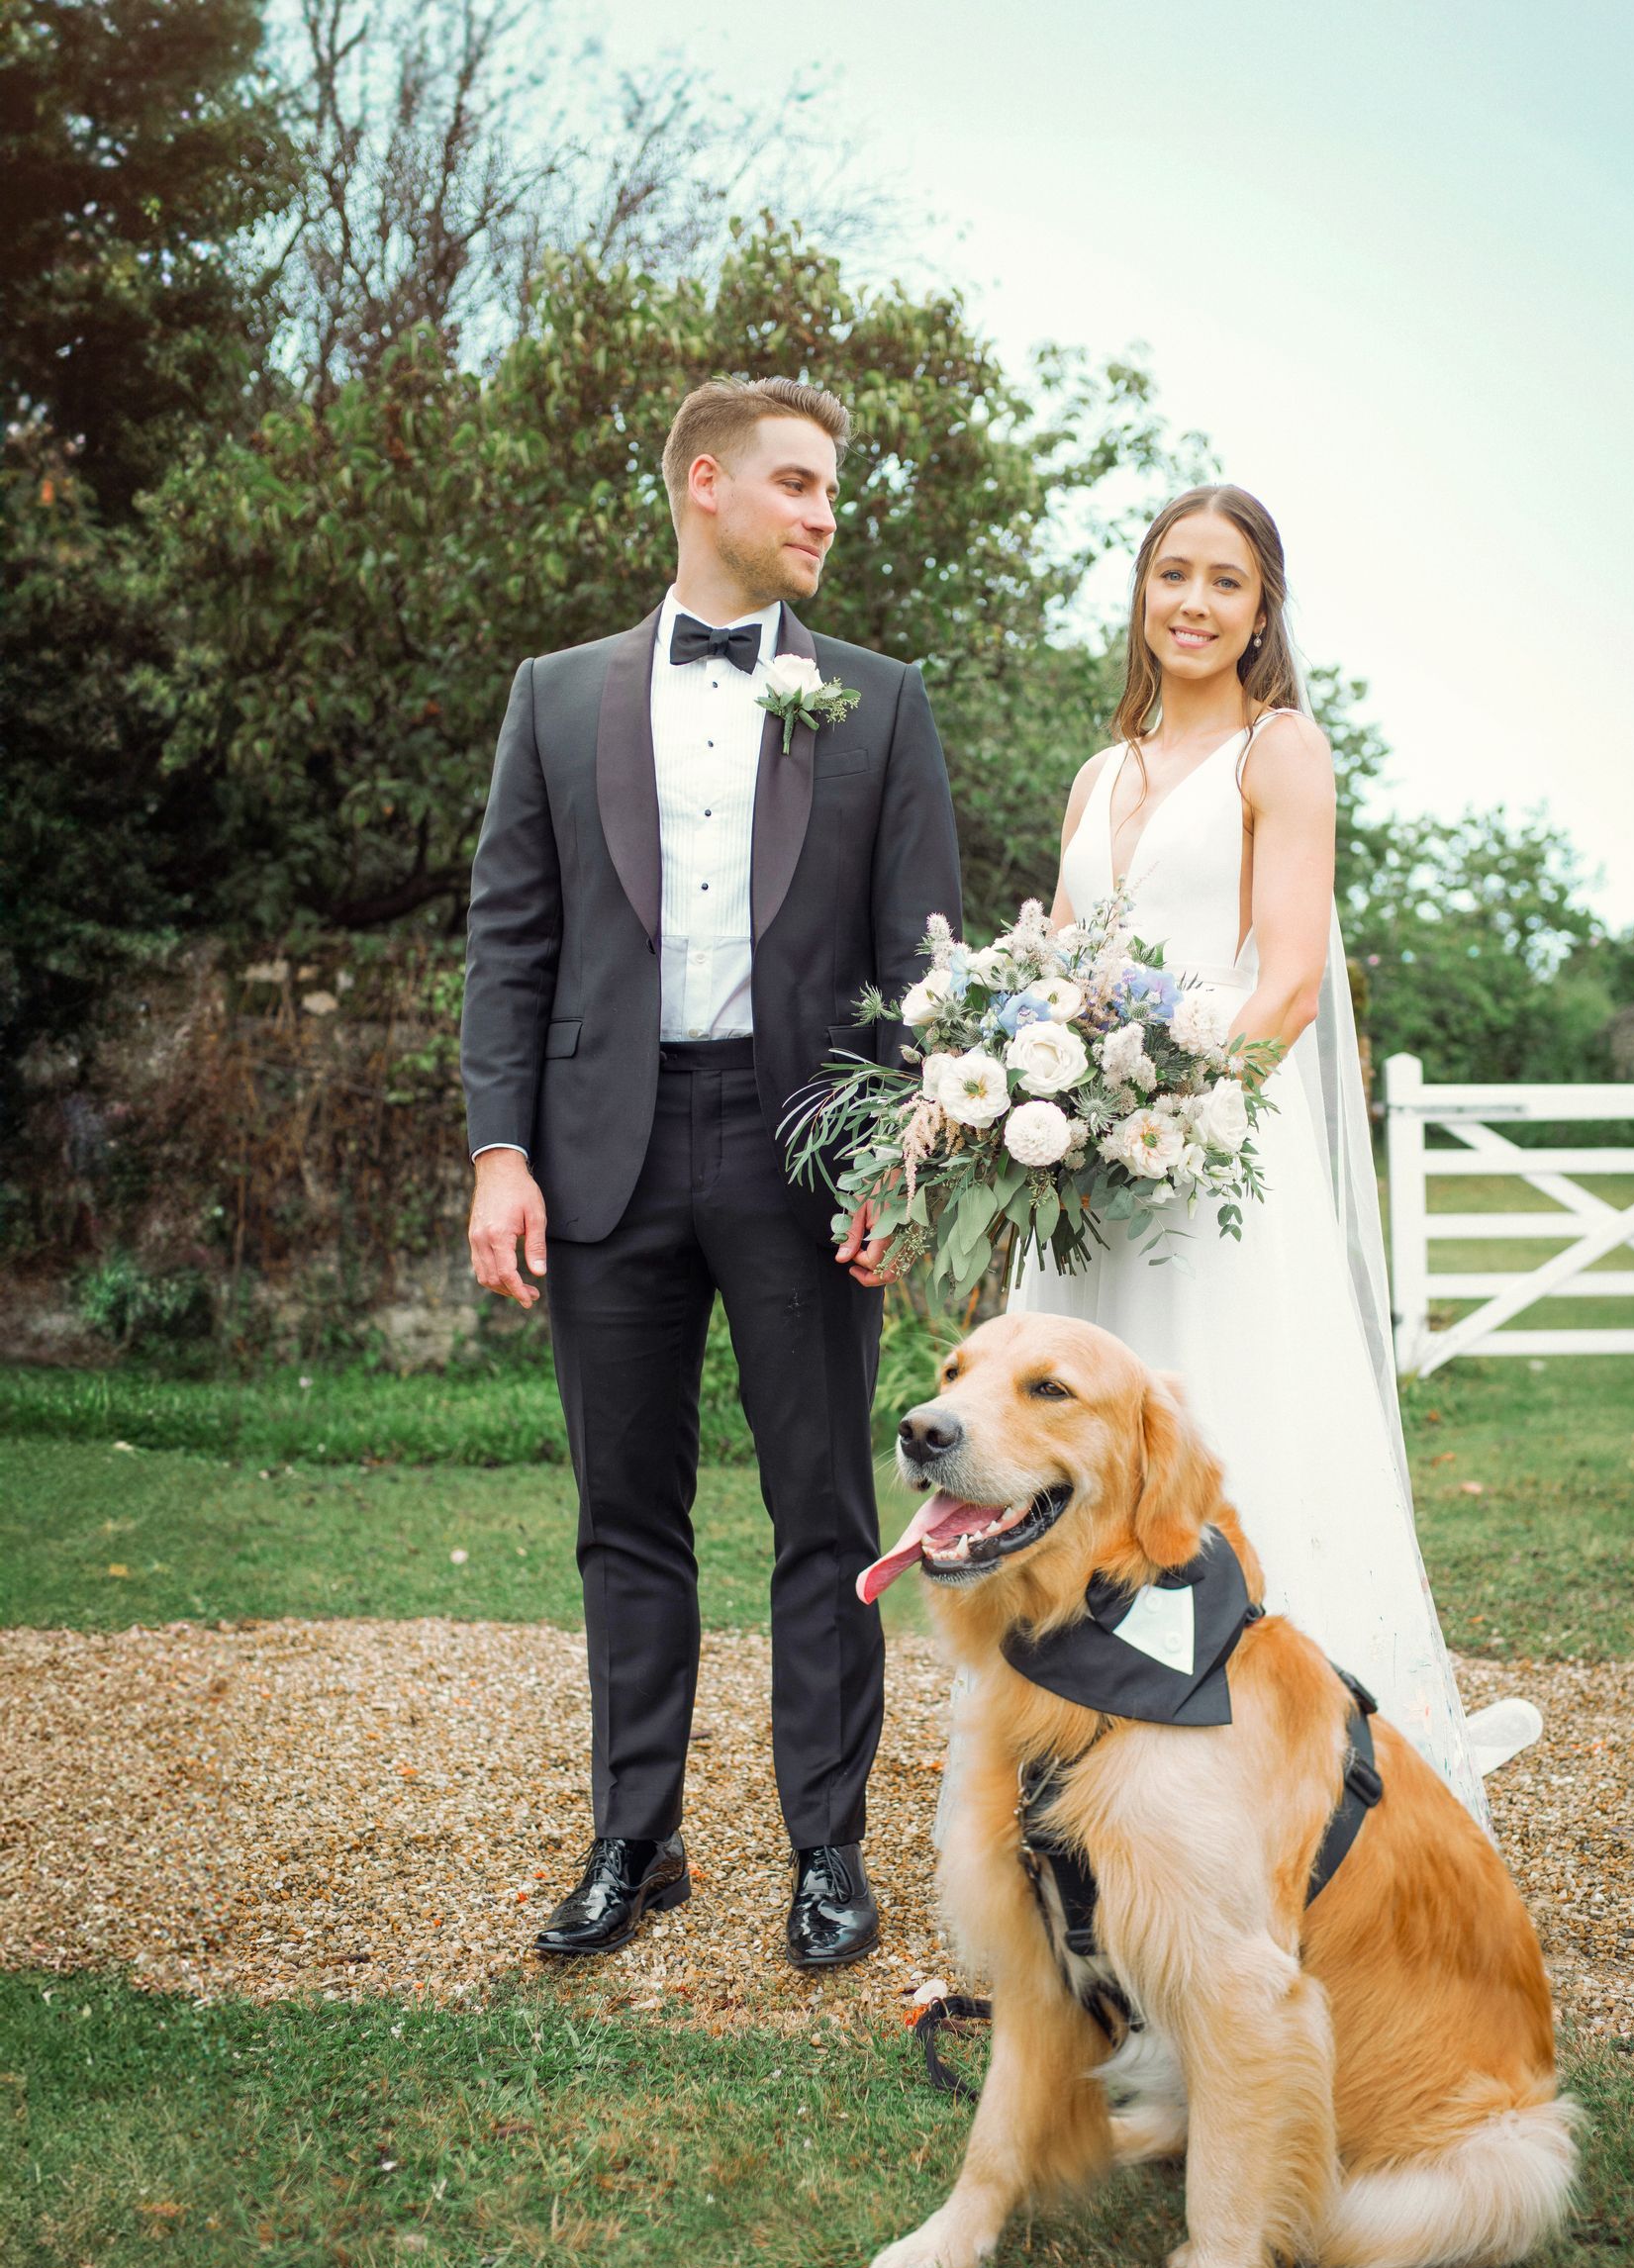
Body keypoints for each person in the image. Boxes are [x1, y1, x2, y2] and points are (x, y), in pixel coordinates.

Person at [461, 375, 961, 1966]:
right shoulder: (553, 696)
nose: (826, 513)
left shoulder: (881, 702)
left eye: (832, 489)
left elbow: (918, 965)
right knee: (625, 1513)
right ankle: (636, 1840)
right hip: (602, 1155)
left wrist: (898, 1162)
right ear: (705, 486)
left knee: (825, 1510)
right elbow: (510, 943)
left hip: (801, 1150)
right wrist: (498, 1150)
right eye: (800, 484)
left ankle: (828, 1849)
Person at [1008, 484, 1539, 1822]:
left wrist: (1165, 1123)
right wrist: (1031, 1104)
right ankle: (1100, 1764)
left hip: (1214, 1171)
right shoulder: (1100, 773)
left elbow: (1288, 985)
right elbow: (1061, 975)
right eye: (1172, 573)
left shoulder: (1279, 752)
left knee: (1235, 1442)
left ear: (1260, 613)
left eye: (1225, 582)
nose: (1193, 600)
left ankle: (1299, 1772)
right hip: (1091, 1184)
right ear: (1141, 594)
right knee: (1076, 1461)